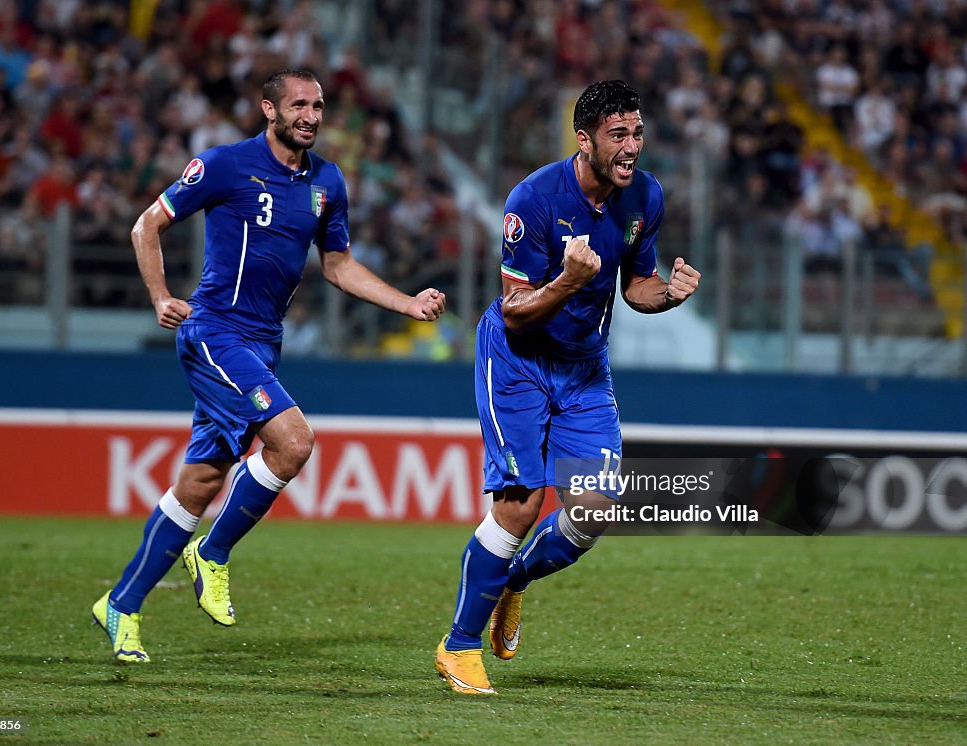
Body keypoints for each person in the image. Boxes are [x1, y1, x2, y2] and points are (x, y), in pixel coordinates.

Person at [92, 69, 446, 663]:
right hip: (213, 332)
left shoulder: (327, 180)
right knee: (293, 442)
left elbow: (339, 266)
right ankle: (212, 554)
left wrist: (405, 302)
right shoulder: (225, 164)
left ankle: (121, 606)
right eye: (299, 105)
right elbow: (146, 224)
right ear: (269, 110)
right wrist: (160, 297)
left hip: (263, 344)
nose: (311, 115)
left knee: (201, 482)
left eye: (319, 106)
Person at [433, 80, 700, 695]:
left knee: (595, 510)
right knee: (522, 505)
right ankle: (459, 645)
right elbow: (514, 310)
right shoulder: (533, 199)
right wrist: (569, 281)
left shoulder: (645, 198)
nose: (631, 147)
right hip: (519, 361)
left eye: (636, 132)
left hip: (583, 368)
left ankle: (513, 581)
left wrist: (670, 294)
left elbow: (637, 286)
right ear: (584, 140)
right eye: (618, 135)